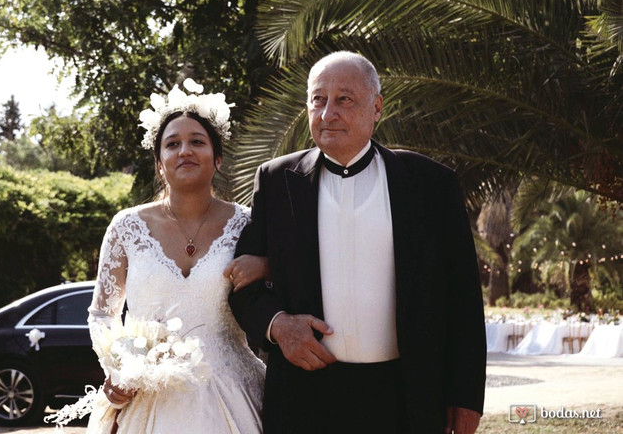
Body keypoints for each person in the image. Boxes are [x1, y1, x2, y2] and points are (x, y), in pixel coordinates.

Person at [229, 51, 486, 434]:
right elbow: (242, 283)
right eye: (318, 99)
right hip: (304, 399)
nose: (328, 112)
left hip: (405, 397)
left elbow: (463, 299)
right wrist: (277, 325)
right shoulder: (277, 181)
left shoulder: (430, 185)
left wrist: (465, 399)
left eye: (344, 99)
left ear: (377, 107)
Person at [86, 80, 266, 433]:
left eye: (197, 142)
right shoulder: (127, 226)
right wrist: (120, 368)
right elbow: (101, 314)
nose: (185, 150)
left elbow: (288, 280)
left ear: (217, 159)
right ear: (159, 163)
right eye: (172, 144)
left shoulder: (248, 223)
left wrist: (267, 264)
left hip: (233, 396)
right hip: (148, 399)